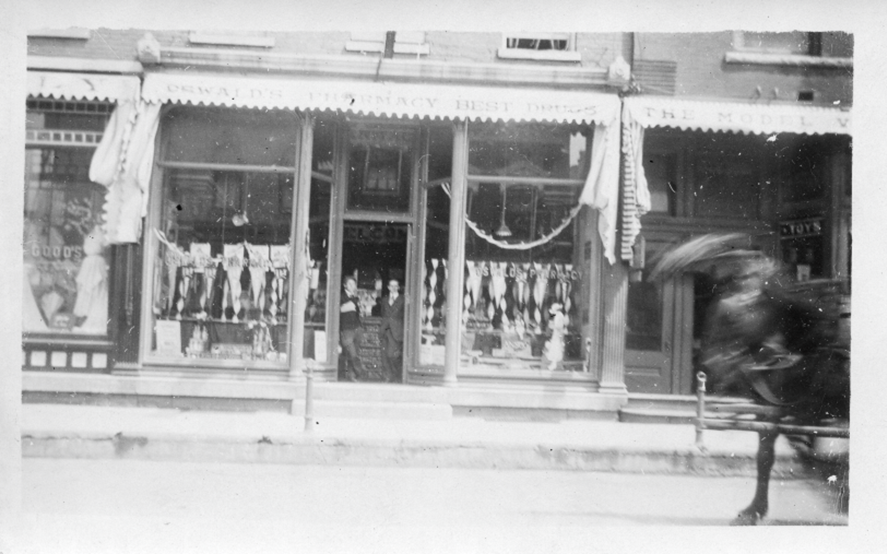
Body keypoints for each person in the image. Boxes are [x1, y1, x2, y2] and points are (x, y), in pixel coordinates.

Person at [339, 276, 366, 381]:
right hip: (346, 329)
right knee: (352, 353)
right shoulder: (341, 297)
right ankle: (361, 372)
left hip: (357, 329)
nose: (352, 286)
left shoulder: (356, 298)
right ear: (345, 285)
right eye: (350, 284)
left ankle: (351, 375)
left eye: (353, 284)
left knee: (353, 353)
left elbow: (359, 313)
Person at [379, 279, 405, 383]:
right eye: (391, 286)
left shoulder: (403, 299)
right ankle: (389, 376)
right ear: (388, 287)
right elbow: (383, 314)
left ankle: (397, 374)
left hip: (396, 331)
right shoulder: (385, 300)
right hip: (385, 330)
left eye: (396, 286)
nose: (393, 288)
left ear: (398, 287)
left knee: (393, 355)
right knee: (385, 355)